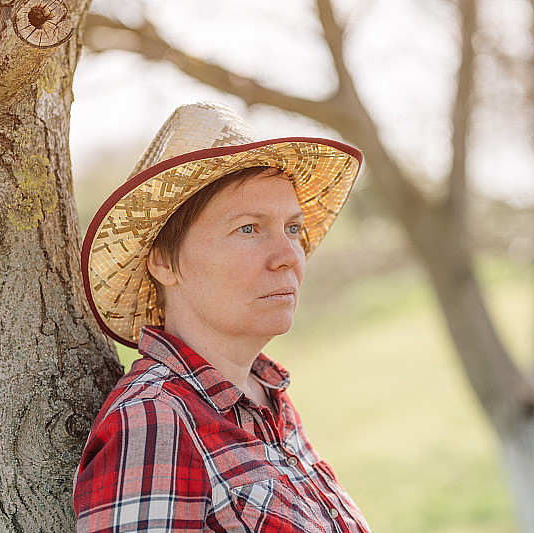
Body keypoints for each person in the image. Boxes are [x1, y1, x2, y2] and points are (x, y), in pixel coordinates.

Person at [74, 102, 370, 532]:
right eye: (248, 228)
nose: (290, 255)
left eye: (292, 228)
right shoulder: (156, 423)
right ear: (163, 262)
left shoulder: (267, 400)